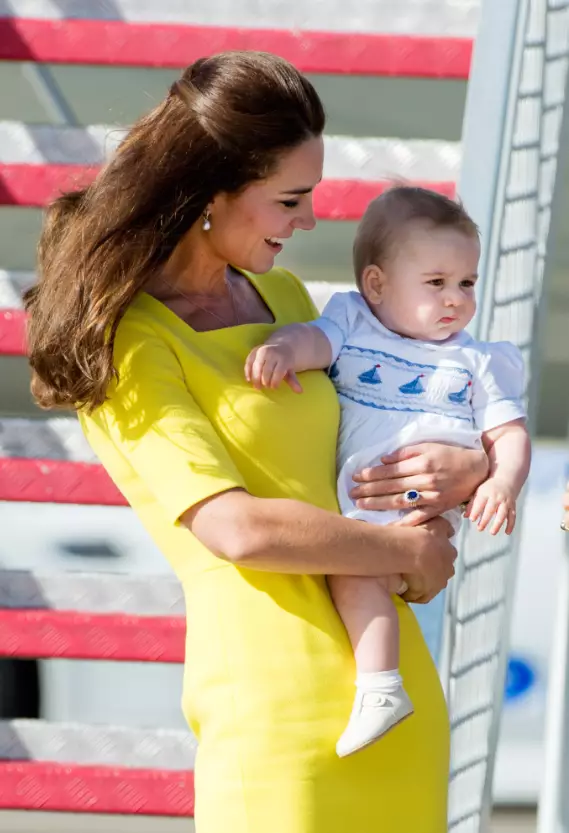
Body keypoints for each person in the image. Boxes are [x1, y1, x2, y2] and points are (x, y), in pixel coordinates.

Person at [24, 52, 489, 833]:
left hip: (393, 685)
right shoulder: (129, 342)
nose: (309, 221)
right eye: (289, 200)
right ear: (212, 195)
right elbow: (236, 529)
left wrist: (463, 467)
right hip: (274, 708)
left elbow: (366, 447)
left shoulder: (282, 297)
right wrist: (404, 555)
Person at [246, 186, 531, 757]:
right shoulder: (352, 322)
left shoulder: (478, 359)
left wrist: (501, 480)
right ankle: (381, 685)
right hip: (365, 507)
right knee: (358, 574)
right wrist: (283, 346)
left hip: (427, 511)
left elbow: (509, 433)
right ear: (376, 285)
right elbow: (316, 342)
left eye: (466, 284)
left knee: (359, 573)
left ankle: (380, 687)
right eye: (436, 283)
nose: (456, 300)